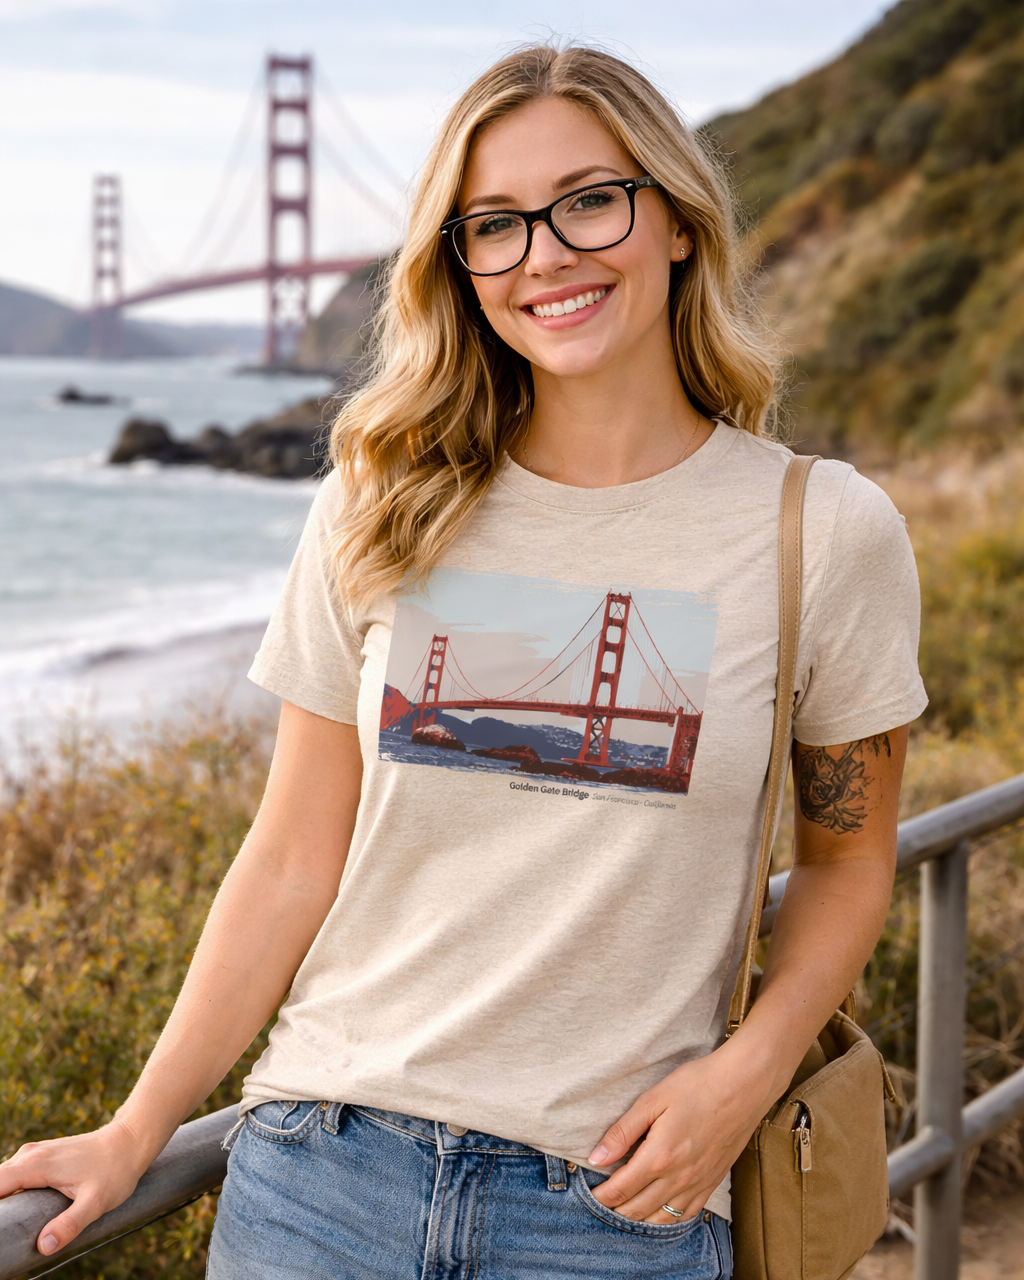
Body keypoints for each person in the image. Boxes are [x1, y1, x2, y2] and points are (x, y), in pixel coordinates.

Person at [1, 44, 927, 1280]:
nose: (545, 252)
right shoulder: (378, 502)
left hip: (616, 1207)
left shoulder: (820, 529)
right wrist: (138, 1124)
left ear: (678, 223)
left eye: (590, 199)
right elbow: (288, 856)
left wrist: (741, 1077)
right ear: (462, 265)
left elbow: (847, 862)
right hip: (318, 1175)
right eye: (494, 224)